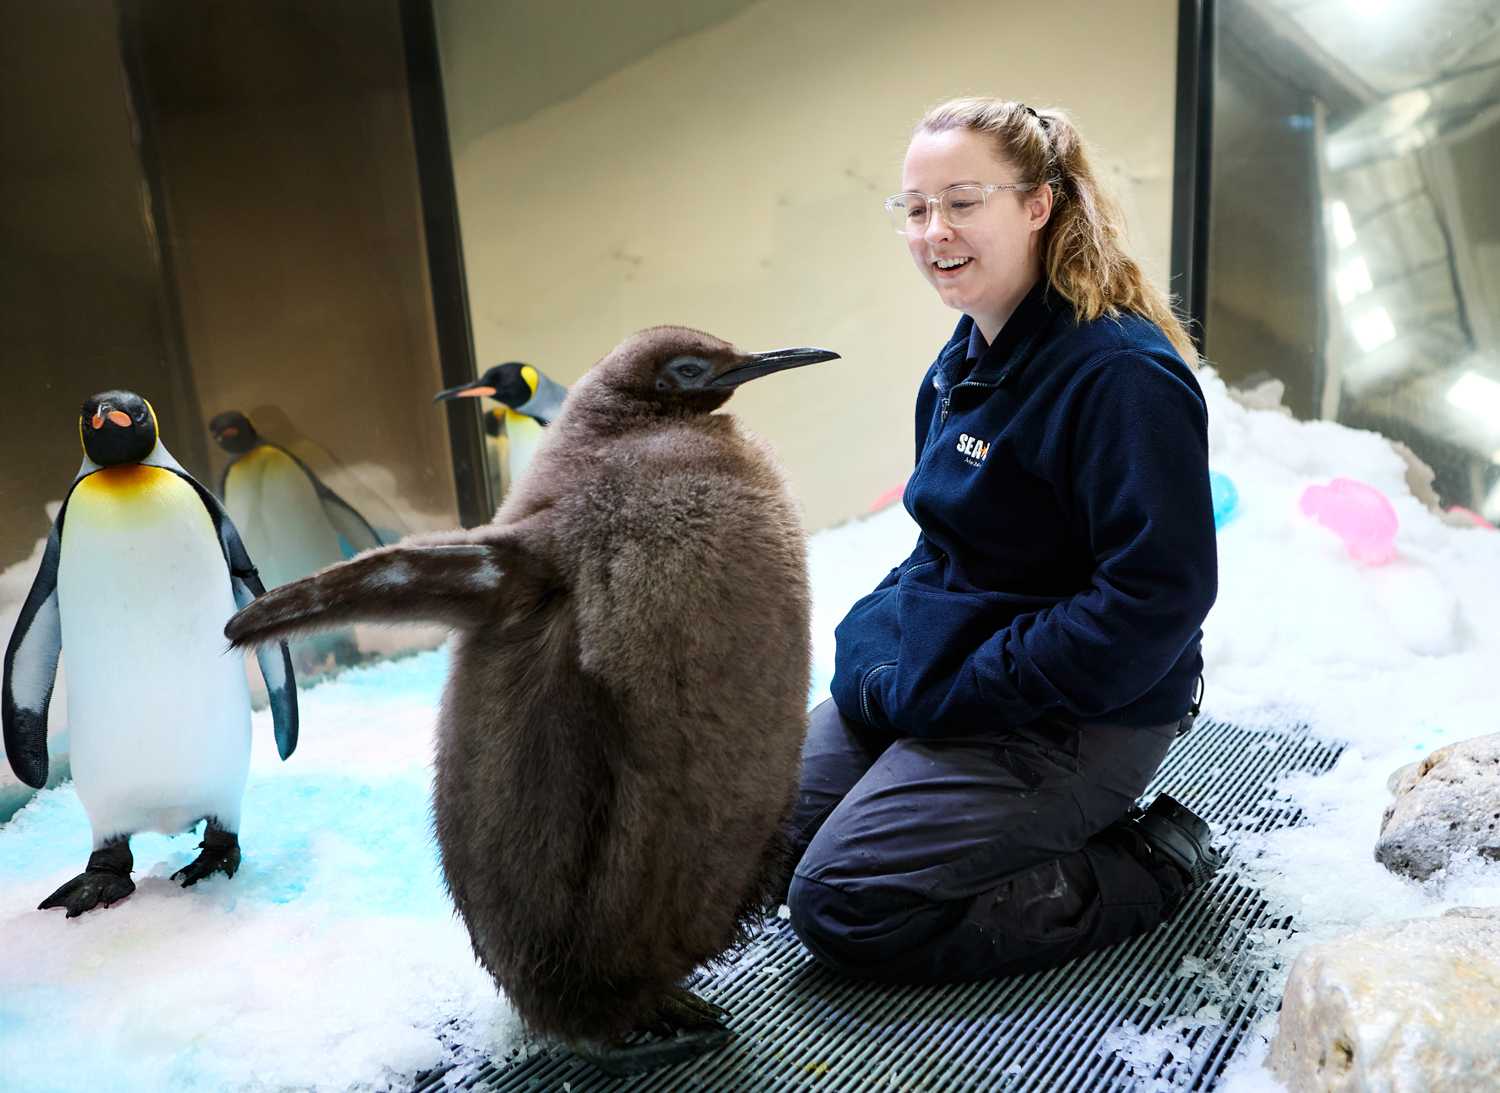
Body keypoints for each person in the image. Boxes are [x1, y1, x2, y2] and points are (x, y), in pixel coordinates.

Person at [784, 98, 1222, 984]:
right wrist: (881, 654)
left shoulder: (1120, 376)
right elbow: (942, 549)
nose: (932, 230)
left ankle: (1144, 864)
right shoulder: (964, 360)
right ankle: (955, 804)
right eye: (914, 207)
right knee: (743, 830)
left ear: (1038, 205)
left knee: (845, 899)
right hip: (970, 677)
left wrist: (965, 688)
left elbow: (1153, 600)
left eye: (962, 200)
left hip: (1085, 707)